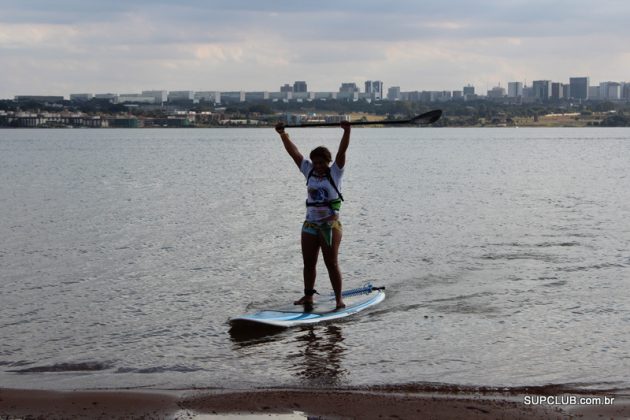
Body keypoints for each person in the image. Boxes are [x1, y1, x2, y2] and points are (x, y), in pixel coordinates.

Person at [275, 120, 351, 310]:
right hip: (310, 225)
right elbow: (294, 153)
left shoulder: (335, 173)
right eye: (315, 162)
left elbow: (342, 152)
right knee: (308, 263)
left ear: (328, 162)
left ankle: (339, 299)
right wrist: (283, 134)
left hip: (330, 226)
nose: (317, 166)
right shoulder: (308, 171)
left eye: (321, 162)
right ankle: (308, 296)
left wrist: (347, 131)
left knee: (331, 263)